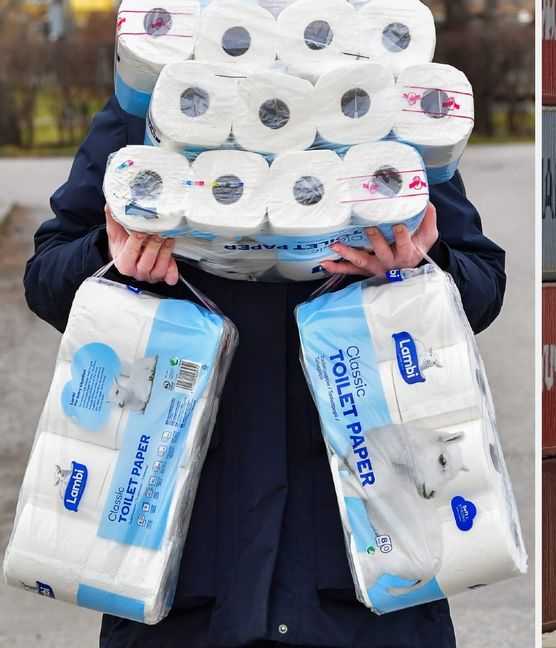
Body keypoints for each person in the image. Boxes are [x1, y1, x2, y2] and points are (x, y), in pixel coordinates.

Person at [23, 96, 506, 648]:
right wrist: (110, 258)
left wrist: (420, 263)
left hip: (365, 574)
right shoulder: (162, 104)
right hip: (187, 574)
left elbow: (482, 287)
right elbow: (47, 278)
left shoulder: (376, 109)